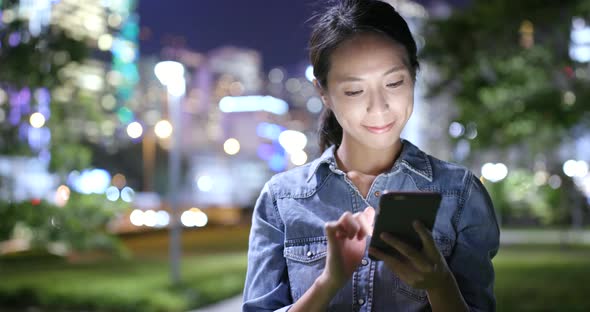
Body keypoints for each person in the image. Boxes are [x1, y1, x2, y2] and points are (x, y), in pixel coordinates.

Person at [242, 0, 500, 311]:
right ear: (323, 92)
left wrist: (439, 283)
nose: (378, 107)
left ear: (414, 75)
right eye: (354, 91)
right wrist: (328, 283)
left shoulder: (460, 194)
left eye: (394, 83)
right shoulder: (281, 199)